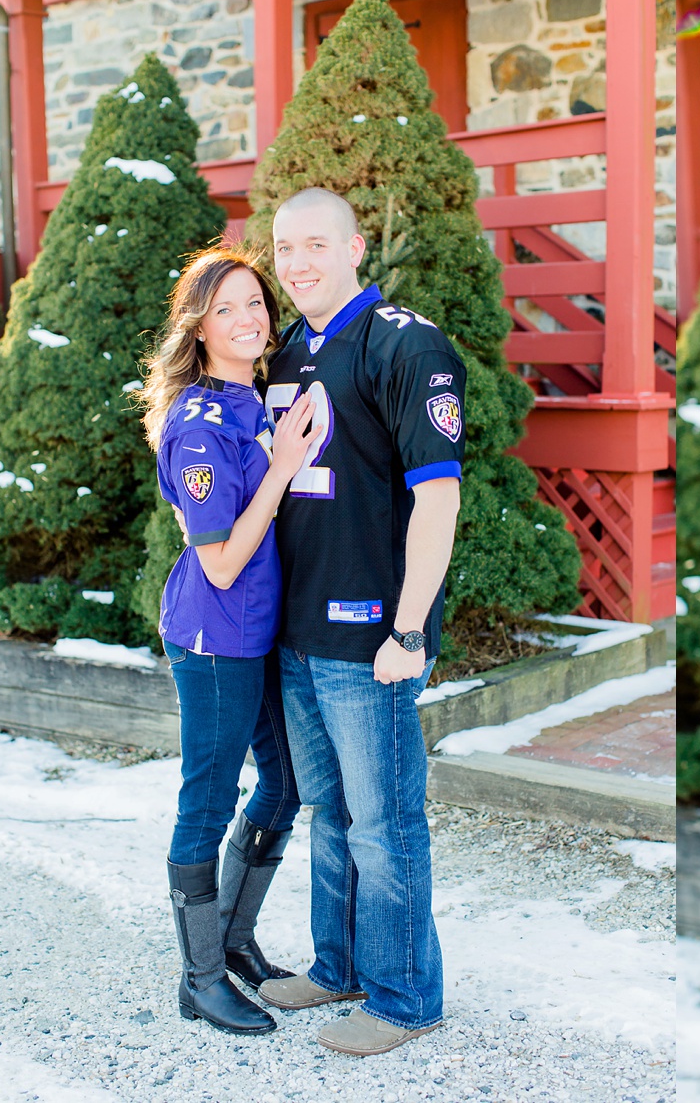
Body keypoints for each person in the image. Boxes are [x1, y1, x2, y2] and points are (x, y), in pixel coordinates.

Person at [254, 187, 465, 1057]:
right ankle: (339, 964)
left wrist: (409, 629)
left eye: (315, 245)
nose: (297, 264)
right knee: (331, 813)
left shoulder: (406, 343)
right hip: (298, 631)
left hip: (371, 632)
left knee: (384, 824)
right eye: (283, 248)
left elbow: (439, 495)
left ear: (355, 248)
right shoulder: (287, 351)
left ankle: (407, 998)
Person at [140, 245, 322, 1035]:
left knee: (283, 785)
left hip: (262, 631)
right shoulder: (200, 422)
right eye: (227, 308)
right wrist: (282, 467)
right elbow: (218, 562)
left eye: (256, 303)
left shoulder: (258, 399)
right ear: (200, 327)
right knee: (207, 800)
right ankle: (200, 978)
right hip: (216, 638)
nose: (248, 318)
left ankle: (234, 942)